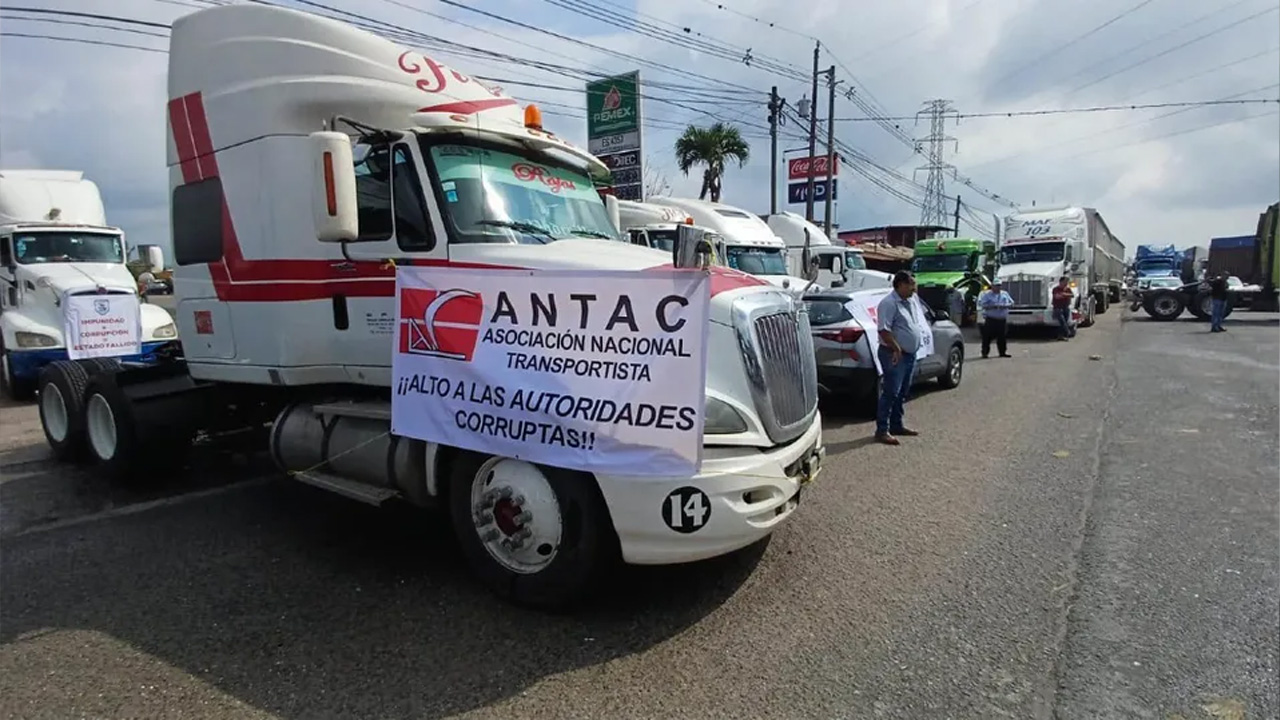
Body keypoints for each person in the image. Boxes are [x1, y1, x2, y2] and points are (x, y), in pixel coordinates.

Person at [874, 271, 923, 446]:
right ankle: (882, 430)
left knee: (902, 392)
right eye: (911, 285)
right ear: (900, 284)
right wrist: (896, 348)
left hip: (909, 354)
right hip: (893, 354)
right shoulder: (888, 303)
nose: (914, 288)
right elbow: (883, 330)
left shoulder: (910, 301)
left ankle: (896, 424)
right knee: (891, 392)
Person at [977, 280, 1014, 358]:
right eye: (996, 285)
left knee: (1002, 337)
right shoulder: (987, 295)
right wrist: (992, 306)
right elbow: (983, 305)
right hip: (991, 319)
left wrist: (1004, 305)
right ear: (992, 286)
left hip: (1002, 319)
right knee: (987, 337)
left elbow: (1012, 303)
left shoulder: (1005, 294)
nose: (998, 287)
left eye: (999, 285)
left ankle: (1002, 352)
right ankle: (985, 353)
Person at [1051, 276, 1075, 341]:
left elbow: (1072, 295)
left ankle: (1061, 336)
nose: (1066, 283)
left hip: (1066, 307)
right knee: (1062, 321)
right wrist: (1065, 295)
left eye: (1067, 282)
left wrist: (1064, 294)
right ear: (1060, 282)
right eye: (1065, 282)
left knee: (1064, 321)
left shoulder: (1067, 289)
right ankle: (1068, 332)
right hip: (1057, 308)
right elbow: (1057, 296)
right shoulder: (1056, 289)